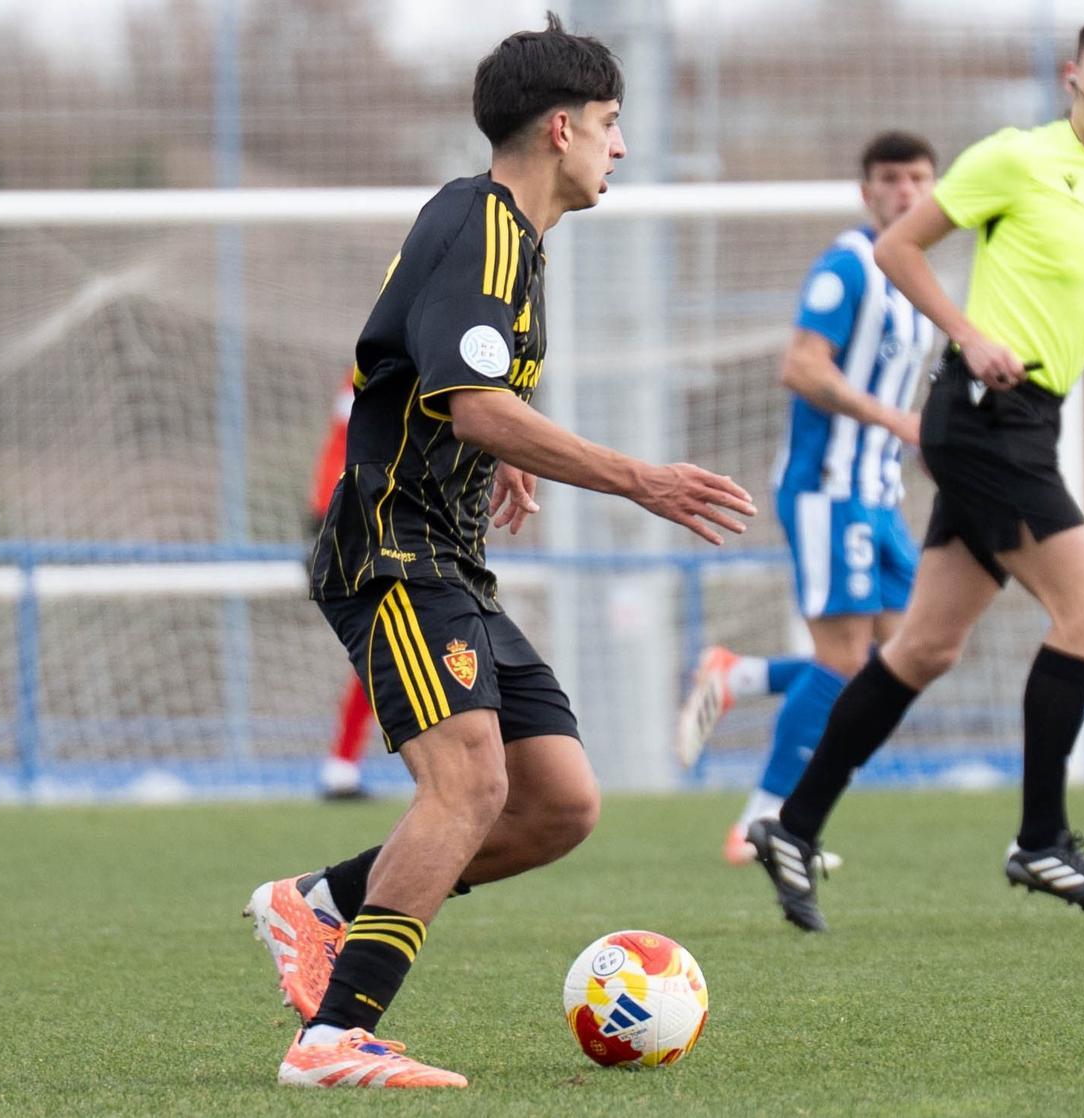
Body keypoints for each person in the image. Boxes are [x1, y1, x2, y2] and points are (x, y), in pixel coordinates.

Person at [242, 13, 756, 1088]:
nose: (621, 146)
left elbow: (432, 371)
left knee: (558, 801)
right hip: (393, 548)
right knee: (469, 785)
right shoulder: (483, 222)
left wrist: (499, 449)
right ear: (561, 126)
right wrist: (637, 476)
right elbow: (469, 398)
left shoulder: (505, 236)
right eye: (612, 125)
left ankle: (320, 901)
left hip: (448, 553)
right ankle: (333, 1037)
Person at [749, 24, 1084, 933]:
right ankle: (1043, 836)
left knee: (924, 649)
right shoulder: (1018, 159)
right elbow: (901, 247)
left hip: (1034, 422)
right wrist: (968, 334)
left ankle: (794, 822)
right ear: (1073, 75)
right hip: (981, 415)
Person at [677, 133, 938, 869]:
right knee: (843, 659)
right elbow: (801, 366)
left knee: (910, 654)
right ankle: (761, 821)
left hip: (879, 496)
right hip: (830, 490)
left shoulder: (913, 279)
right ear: (867, 190)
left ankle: (740, 676)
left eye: (920, 179)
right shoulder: (847, 268)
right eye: (891, 179)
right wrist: (895, 423)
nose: (907, 193)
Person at [308, 373, 375, 800]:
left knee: (380, 652)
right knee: (383, 650)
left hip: (347, 518)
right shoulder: (377, 369)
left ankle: (343, 765)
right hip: (352, 521)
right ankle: (342, 765)